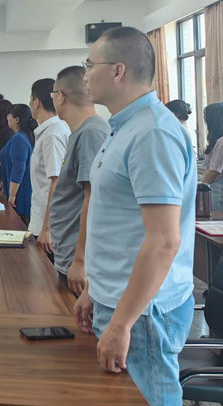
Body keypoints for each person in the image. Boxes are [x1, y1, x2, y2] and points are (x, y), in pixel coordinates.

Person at [74, 26, 195, 404]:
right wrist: (95, 288)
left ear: (118, 71)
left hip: (143, 312)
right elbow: (116, 220)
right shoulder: (124, 127)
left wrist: (122, 322)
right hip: (120, 301)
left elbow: (163, 241)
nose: (84, 76)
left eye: (89, 65)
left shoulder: (153, 133)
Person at [44, 66, 110, 295]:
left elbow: (93, 199)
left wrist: (80, 261)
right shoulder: (82, 132)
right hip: (68, 252)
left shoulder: (91, 133)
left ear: (60, 97)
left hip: (79, 258)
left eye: (53, 94)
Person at [27, 79, 70, 242]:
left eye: (30, 99)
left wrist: (47, 228)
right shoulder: (49, 131)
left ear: (36, 102)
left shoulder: (52, 134)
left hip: (48, 228)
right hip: (42, 220)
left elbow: (56, 181)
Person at [1, 104, 36, 224]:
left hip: (20, 193)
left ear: (16, 119)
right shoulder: (23, 136)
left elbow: (18, 169)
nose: (7, 117)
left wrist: (12, 195)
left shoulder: (19, 139)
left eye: (9, 115)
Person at [202, 103, 223, 212]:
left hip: (218, 190)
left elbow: (214, 171)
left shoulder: (221, 142)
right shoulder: (218, 140)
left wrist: (199, 187)